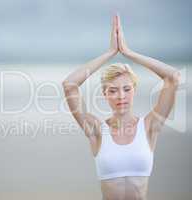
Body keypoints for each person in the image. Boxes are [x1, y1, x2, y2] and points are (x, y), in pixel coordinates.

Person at [62, 14, 181, 200]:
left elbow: (173, 77)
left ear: (134, 90)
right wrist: (110, 52)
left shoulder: (149, 126)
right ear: (105, 94)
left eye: (126, 89)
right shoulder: (96, 130)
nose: (121, 96)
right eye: (113, 90)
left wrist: (128, 52)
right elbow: (70, 84)